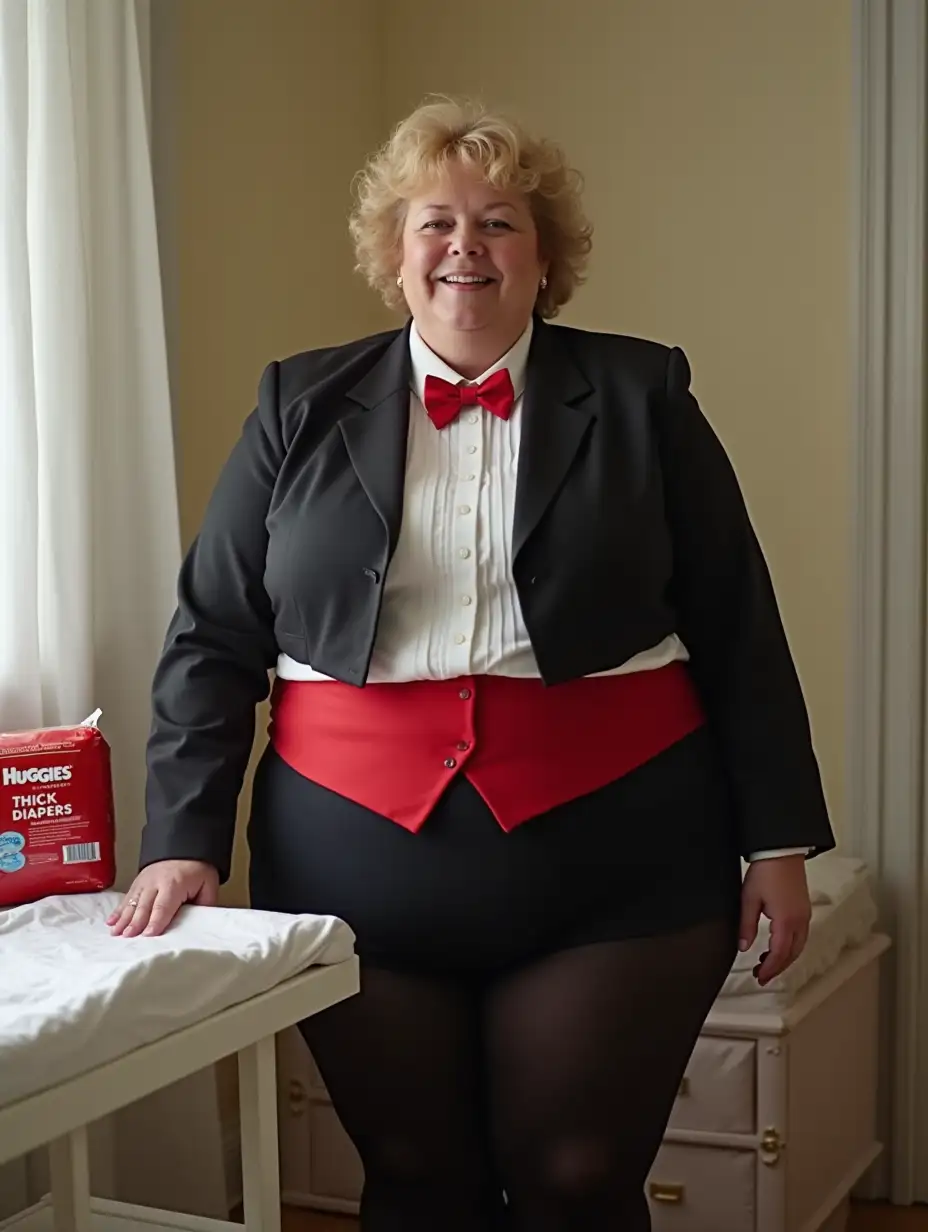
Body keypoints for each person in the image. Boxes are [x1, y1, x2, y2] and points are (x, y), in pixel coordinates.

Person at [111, 96, 835, 1231]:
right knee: (416, 1182)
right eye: (434, 223)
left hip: (623, 859)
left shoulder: (645, 395)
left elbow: (739, 623)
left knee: (576, 1179)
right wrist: (182, 842)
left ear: (545, 258)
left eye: (498, 223)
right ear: (393, 256)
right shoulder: (293, 405)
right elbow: (212, 634)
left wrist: (777, 840)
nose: (464, 248)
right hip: (349, 864)